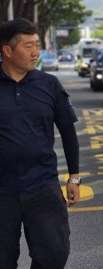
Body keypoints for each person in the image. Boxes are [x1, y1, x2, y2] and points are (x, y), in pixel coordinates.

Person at [0, 18, 80, 268]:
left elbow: (68, 131)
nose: (36, 52)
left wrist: (74, 177)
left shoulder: (49, 85)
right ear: (7, 51)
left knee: (54, 254)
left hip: (42, 184)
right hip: (2, 190)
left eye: (37, 44)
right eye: (28, 46)